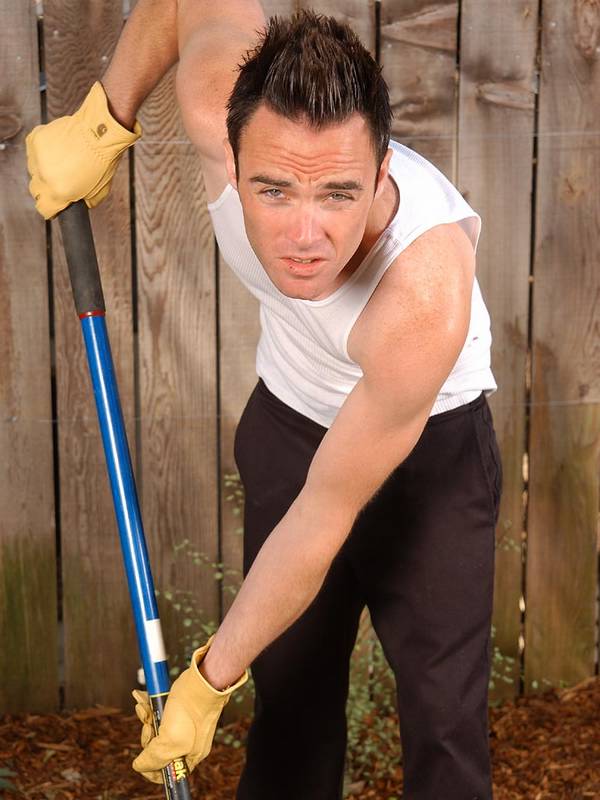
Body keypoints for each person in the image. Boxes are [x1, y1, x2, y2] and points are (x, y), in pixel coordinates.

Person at [26, 2, 502, 798]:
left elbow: (324, 515)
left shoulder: (423, 295)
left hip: (430, 450)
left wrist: (208, 680)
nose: (304, 236)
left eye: (339, 195)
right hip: (291, 420)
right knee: (290, 703)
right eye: (274, 191)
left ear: (382, 172)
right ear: (232, 153)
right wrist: (103, 119)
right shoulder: (216, 104)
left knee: (443, 721)